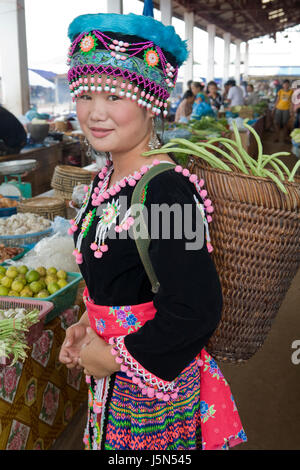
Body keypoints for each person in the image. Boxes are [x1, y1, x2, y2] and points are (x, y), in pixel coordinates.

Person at [59, 12, 247, 451]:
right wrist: (90, 323)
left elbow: (195, 309)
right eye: (85, 95)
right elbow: (120, 278)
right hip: (114, 382)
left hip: (151, 397)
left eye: (115, 95)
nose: (96, 112)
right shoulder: (104, 180)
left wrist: (112, 356)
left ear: (150, 100)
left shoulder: (163, 190)